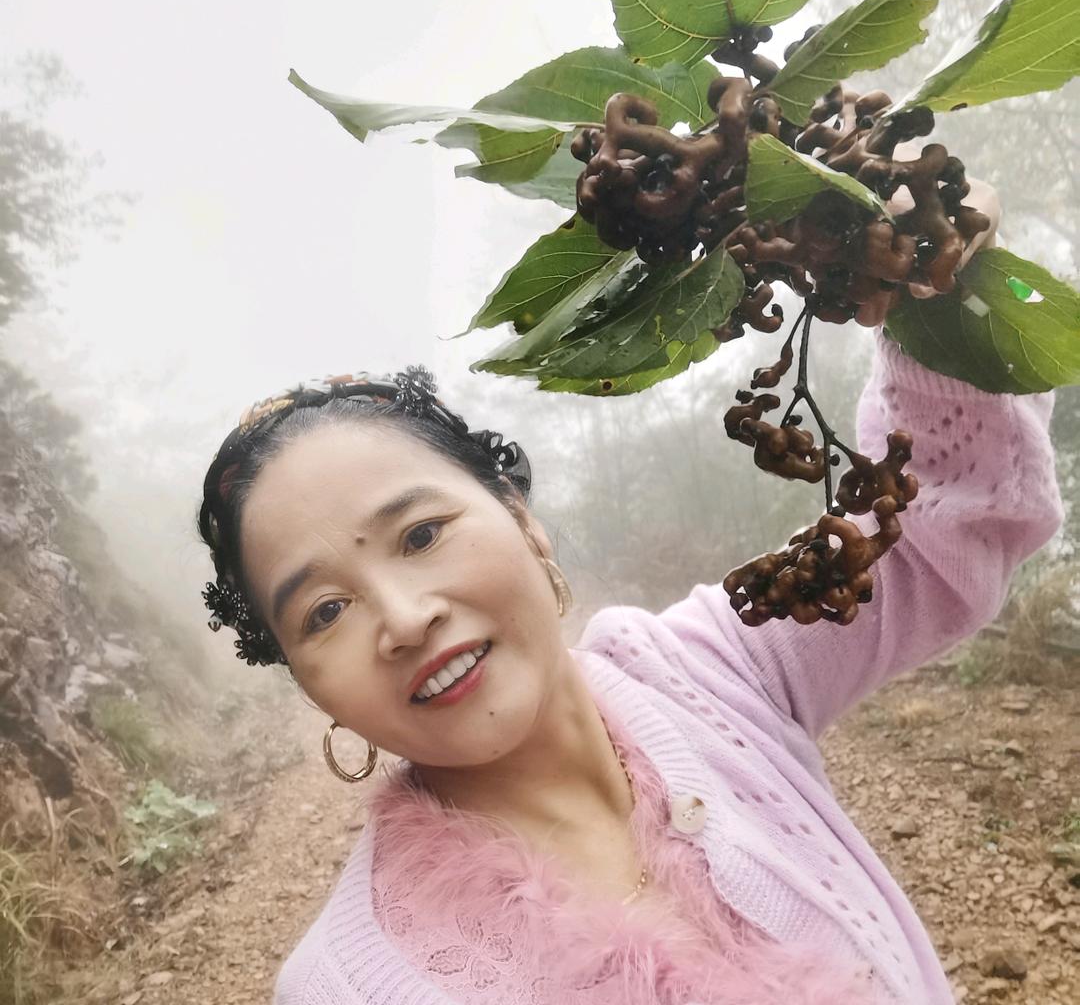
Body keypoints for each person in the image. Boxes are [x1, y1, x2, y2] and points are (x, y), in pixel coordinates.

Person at [195, 201, 1062, 1004]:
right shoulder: (350, 985)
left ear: (520, 518)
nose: (404, 618)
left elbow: (941, 519)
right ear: (306, 681)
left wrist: (941, 289)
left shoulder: (715, 670)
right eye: (323, 614)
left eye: (420, 535)